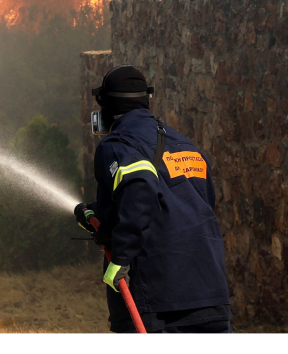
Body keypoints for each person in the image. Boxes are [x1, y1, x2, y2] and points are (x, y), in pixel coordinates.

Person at [75, 65, 231, 333]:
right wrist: (99, 212)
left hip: (156, 303)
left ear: (106, 107)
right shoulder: (186, 146)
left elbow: (141, 187)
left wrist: (121, 257)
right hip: (209, 295)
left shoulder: (117, 144)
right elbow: (189, 205)